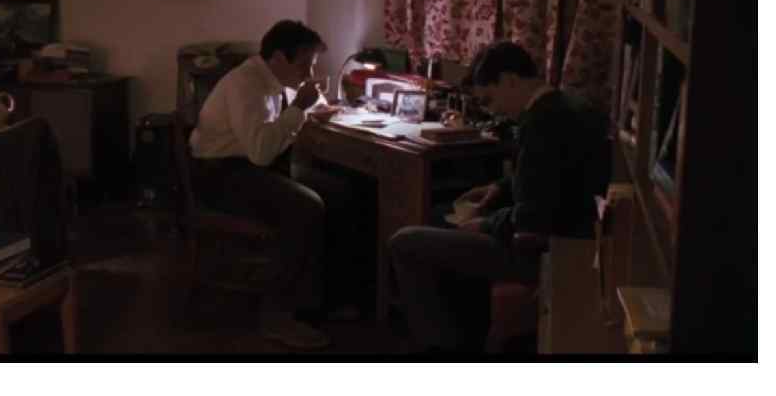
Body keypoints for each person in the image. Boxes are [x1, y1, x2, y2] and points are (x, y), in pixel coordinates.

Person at [388, 40, 611, 353]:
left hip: (551, 251)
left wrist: (485, 224)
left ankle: (441, 348)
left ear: (510, 80)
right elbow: (551, 176)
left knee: (405, 242)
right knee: (441, 219)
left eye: (489, 100)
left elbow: (532, 221)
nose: (492, 111)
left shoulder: (541, 124)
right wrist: (501, 187)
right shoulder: (567, 106)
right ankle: (468, 334)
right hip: (579, 238)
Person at [190, 19, 343, 350]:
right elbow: (261, 153)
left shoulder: (272, 78)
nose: (309, 72)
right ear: (278, 58)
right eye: (305, 64)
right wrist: (299, 108)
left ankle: (320, 299)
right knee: (304, 206)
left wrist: (311, 108)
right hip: (219, 176)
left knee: (338, 192)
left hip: (246, 168)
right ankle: (277, 315)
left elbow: (278, 128)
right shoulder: (247, 85)